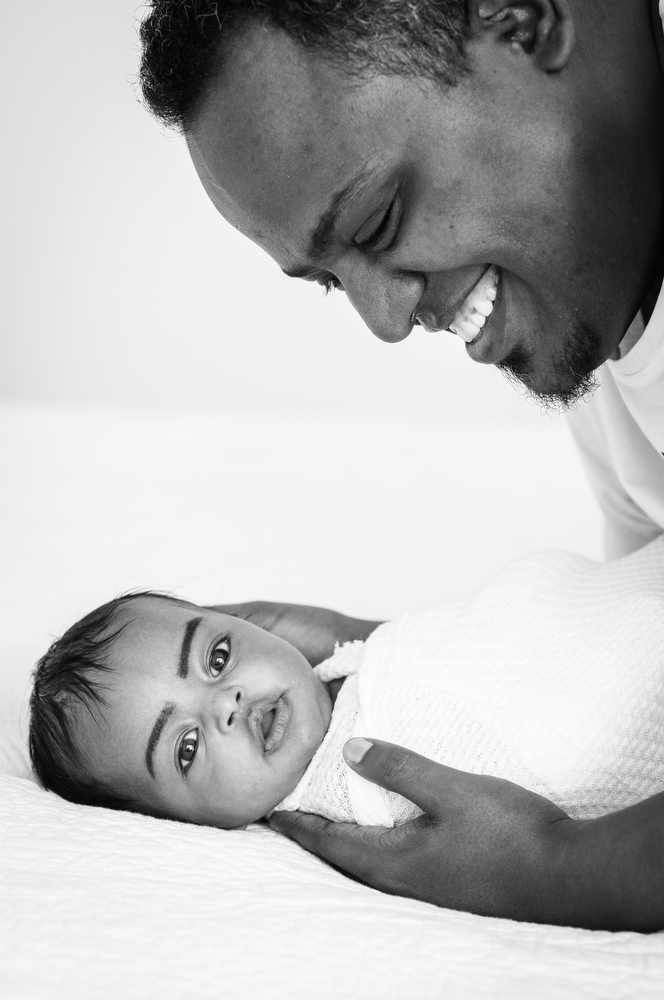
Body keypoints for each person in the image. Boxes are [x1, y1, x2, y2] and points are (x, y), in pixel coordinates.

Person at [135, 1, 664, 927]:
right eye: (333, 280)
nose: (384, 321)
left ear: (525, 20)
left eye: (377, 220)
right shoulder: (595, 284)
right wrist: (399, 655)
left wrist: (560, 867)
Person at [29, 539, 664, 911]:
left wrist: (366, 641)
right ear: (181, 823)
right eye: (187, 746)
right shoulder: (354, 808)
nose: (225, 700)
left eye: (217, 655)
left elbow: (488, 651)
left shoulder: (357, 663)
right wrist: (554, 863)